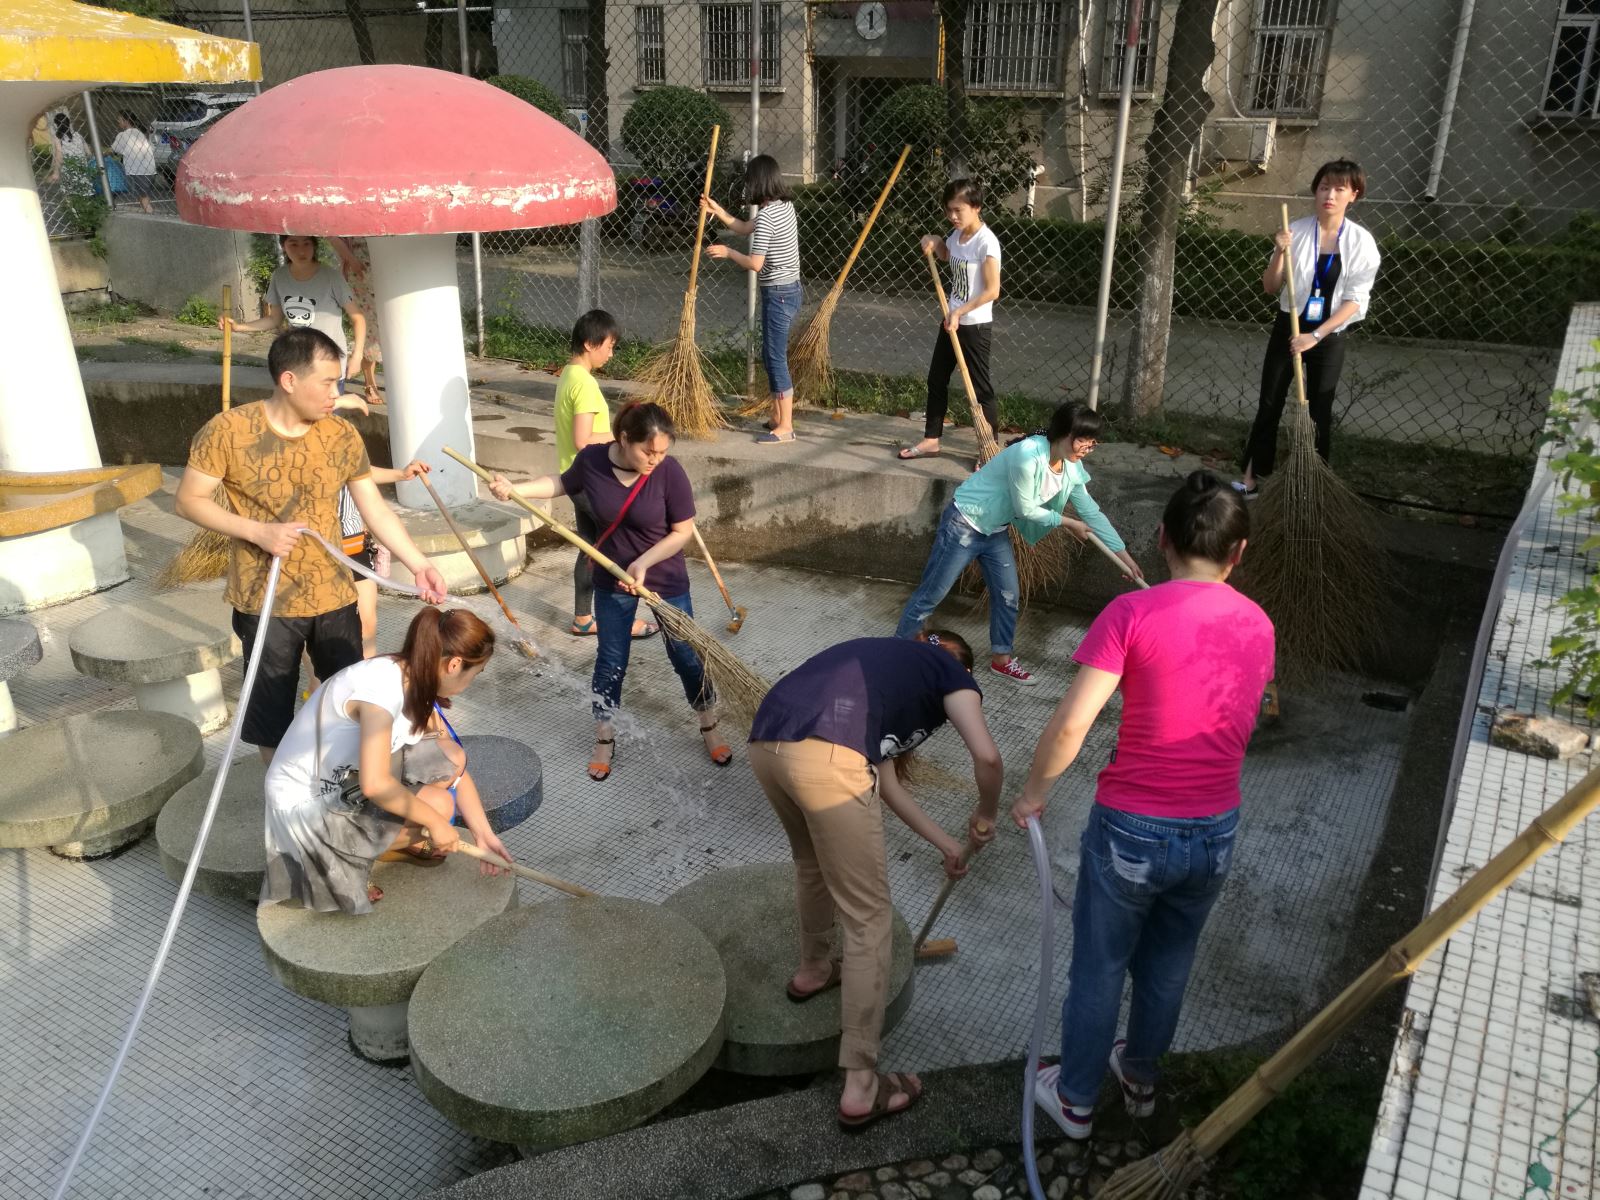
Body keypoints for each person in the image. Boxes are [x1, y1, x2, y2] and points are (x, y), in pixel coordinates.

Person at [1012, 471, 1274, 1141]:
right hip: (1215, 829)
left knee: (1101, 963)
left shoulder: (1131, 614)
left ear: (1161, 540)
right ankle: (1141, 1078)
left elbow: (1072, 725)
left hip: (1133, 828)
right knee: (1169, 962)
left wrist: (1034, 794)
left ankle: (1072, 1100)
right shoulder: (1259, 625)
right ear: (1238, 553)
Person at [748, 631, 1003, 1130]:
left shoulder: (880, 673)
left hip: (768, 740)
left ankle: (814, 969)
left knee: (813, 865)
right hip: (824, 755)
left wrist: (946, 844)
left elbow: (881, 780)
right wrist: (986, 813)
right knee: (869, 919)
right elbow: (989, 758)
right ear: (963, 668)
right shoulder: (952, 672)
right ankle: (861, 1085)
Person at [176, 328, 448, 762]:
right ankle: (282, 800)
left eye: (339, 381)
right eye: (326, 382)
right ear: (288, 380)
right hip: (265, 597)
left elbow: (374, 510)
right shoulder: (228, 431)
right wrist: (256, 531)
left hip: (334, 593)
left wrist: (419, 564)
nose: (335, 393)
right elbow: (189, 500)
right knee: (271, 714)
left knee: (351, 698)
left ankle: (345, 781)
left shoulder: (340, 435)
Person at [489, 402, 727, 780]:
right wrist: (513, 489)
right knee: (612, 658)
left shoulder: (670, 474)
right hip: (612, 578)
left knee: (685, 655)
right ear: (623, 439)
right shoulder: (594, 461)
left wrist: (644, 563)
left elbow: (681, 532)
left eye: (663, 452)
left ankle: (709, 723)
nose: (655, 460)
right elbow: (561, 482)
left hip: (663, 578)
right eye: (648, 451)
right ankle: (605, 735)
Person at [261, 607, 513, 915]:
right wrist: (434, 825)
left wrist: (484, 835)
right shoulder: (381, 695)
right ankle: (344, 856)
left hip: (343, 780)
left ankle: (383, 841)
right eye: (475, 674)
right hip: (304, 807)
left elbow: (455, 771)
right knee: (436, 814)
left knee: (450, 762)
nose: (472, 682)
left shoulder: (411, 672)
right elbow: (376, 783)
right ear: (455, 664)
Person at [895, 402, 1142, 686]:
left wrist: (1124, 556)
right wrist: (1068, 523)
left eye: (1093, 442)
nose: (1088, 446)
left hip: (995, 529)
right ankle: (899, 652)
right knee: (931, 594)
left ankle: (1001, 660)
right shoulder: (1028, 455)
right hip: (964, 523)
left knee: (1008, 595)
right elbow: (1025, 509)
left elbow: (1092, 514)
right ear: (1063, 434)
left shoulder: (1072, 468)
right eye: (1083, 439)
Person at [1238, 159, 1381, 496]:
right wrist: (1279, 253)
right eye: (1323, 187)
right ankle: (1252, 477)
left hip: (1328, 335)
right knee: (1269, 402)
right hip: (1289, 326)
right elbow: (1271, 286)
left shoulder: (1361, 243)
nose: (1329, 195)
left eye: (1339, 188)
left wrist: (1314, 337)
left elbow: (1356, 301)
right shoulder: (1297, 231)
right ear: (1316, 191)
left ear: (1354, 195)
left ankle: (1312, 484)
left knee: (1319, 408)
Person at [702, 154, 802, 444]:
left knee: (775, 357)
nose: (747, 189)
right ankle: (776, 416)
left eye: (748, 183)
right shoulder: (784, 207)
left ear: (757, 183)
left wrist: (728, 253)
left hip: (779, 294)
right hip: (790, 290)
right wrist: (718, 210)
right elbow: (746, 227)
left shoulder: (770, 216)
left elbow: (755, 264)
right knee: (771, 355)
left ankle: (786, 426)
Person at [899, 179, 1002, 462]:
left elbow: (993, 290)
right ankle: (932, 439)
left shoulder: (986, 242)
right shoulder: (957, 237)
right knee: (936, 379)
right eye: (948, 211)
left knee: (980, 389)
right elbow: (947, 255)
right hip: (951, 319)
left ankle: (989, 450)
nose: (953, 216)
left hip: (974, 325)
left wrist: (960, 312)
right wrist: (935, 241)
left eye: (958, 210)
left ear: (976, 207)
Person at [222, 234, 367, 384]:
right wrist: (239, 327)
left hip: (329, 365)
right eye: (293, 244)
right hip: (298, 365)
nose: (301, 251)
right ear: (284, 246)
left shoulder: (331, 276)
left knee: (329, 407)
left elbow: (358, 318)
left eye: (306, 244)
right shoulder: (279, 276)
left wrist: (357, 356)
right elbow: (274, 319)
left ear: (314, 245)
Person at [330, 236, 384, 407]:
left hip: (387, 260)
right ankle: (370, 382)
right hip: (361, 264)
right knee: (372, 326)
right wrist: (351, 259)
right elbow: (331, 234)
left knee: (388, 322)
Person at [110, 110, 157, 215]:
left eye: (119, 120)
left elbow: (113, 150)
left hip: (138, 170)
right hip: (150, 168)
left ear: (126, 121)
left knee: (143, 196)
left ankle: (151, 216)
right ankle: (148, 214)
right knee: (143, 194)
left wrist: (101, 153)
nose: (118, 122)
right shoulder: (139, 132)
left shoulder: (123, 135)